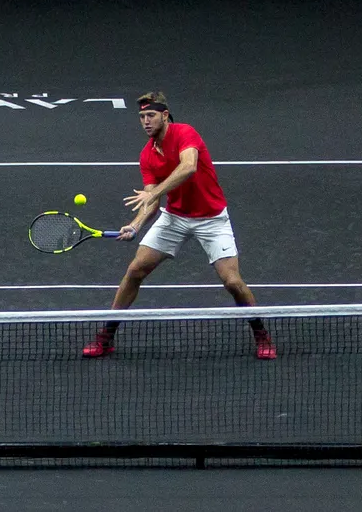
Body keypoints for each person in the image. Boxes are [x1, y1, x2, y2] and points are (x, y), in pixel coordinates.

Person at [83, 91, 276, 360]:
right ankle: (106, 335)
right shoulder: (147, 155)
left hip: (212, 219)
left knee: (232, 282)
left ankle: (261, 333)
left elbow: (188, 168)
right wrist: (136, 225)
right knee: (135, 270)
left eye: (150, 115)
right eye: (141, 117)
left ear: (165, 115)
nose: (145, 122)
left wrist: (153, 193)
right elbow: (151, 200)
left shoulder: (185, 133)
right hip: (174, 218)